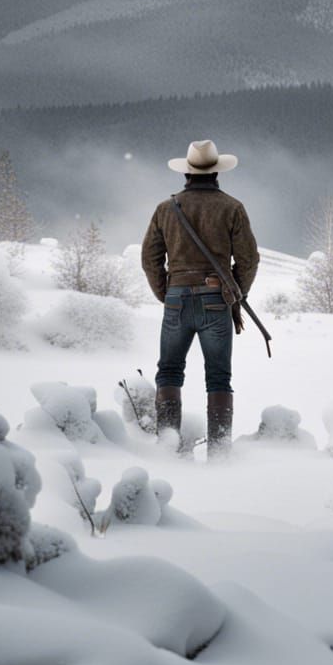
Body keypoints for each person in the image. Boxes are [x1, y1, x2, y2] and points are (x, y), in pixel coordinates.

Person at [141, 139, 260, 459]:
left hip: (177, 297)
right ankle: (219, 456)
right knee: (219, 376)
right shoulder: (233, 208)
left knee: (168, 372)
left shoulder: (166, 209)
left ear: (188, 173)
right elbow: (248, 260)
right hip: (216, 299)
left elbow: (150, 259)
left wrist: (166, 294)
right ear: (217, 172)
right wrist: (235, 294)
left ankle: (167, 451)